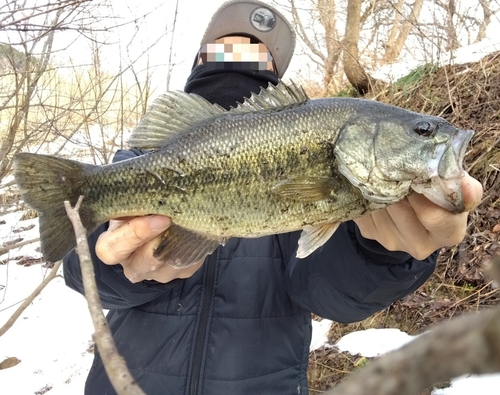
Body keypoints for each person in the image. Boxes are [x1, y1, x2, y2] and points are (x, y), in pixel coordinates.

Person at [63, 1, 483, 394]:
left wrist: (383, 254)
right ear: (200, 61)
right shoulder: (140, 160)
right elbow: (77, 271)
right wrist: (115, 266)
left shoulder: (329, 156)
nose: (238, 63)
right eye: (224, 53)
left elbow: (328, 294)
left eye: (256, 57)